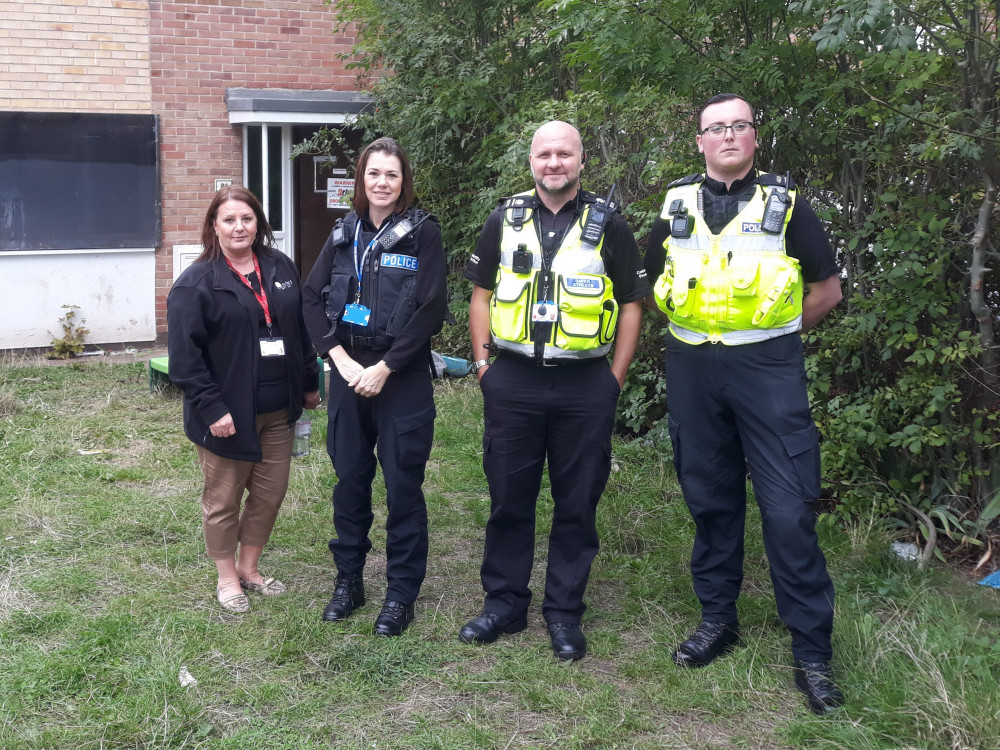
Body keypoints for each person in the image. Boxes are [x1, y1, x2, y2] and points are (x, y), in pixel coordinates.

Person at [644, 93, 845, 713]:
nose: (727, 136)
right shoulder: (675, 204)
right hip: (693, 369)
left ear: (755, 137)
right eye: (715, 128)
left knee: (788, 510)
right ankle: (717, 621)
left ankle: (811, 653)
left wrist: (771, 338)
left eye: (739, 126)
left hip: (768, 369)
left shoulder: (786, 206)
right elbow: (651, 285)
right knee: (710, 498)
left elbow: (828, 290)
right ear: (699, 141)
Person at [459, 120, 649, 661]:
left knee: (577, 504)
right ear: (532, 162)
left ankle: (564, 613)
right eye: (545, 155)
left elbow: (633, 304)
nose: (554, 164)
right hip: (513, 378)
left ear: (582, 161)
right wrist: (482, 365)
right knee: (508, 498)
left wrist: (614, 378)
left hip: (584, 383)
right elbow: (480, 293)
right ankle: (504, 604)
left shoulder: (609, 225)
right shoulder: (505, 218)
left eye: (564, 154)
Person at [302, 137, 448, 637]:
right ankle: (349, 582)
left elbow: (431, 309)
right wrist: (337, 357)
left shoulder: (423, 235)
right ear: (361, 180)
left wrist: (385, 367)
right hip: (347, 375)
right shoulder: (344, 232)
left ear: (404, 181)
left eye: (391, 174)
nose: (382, 182)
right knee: (350, 482)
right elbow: (309, 296)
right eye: (373, 174)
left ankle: (400, 594)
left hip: (399, 378)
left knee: (403, 487)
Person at [168, 185, 321, 614]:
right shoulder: (196, 284)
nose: (239, 227)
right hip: (227, 416)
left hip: (280, 410)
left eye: (247, 218)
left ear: (259, 224)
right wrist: (212, 408)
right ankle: (226, 577)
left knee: (270, 494)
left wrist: (310, 384)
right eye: (229, 220)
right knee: (223, 501)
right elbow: (185, 360)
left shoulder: (281, 267)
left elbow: (299, 331)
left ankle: (250, 568)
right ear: (214, 227)